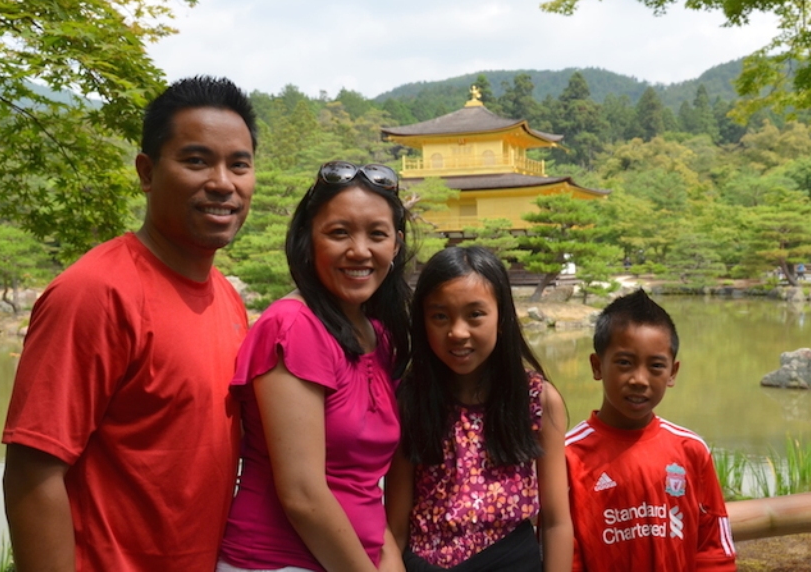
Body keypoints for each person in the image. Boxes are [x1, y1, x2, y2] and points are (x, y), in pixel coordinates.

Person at [2, 76, 258, 572]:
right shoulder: (96, 292)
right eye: (197, 160)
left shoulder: (226, 297)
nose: (223, 182)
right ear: (146, 171)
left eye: (239, 165)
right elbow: (32, 475)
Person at [217, 161, 410, 572]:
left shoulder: (379, 335)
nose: (360, 250)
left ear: (396, 244)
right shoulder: (294, 326)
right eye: (339, 233)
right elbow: (302, 494)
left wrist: (388, 558)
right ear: (308, 240)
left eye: (377, 234)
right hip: (276, 562)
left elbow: (364, 490)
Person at [386, 245, 572, 572]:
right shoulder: (411, 401)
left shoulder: (537, 401)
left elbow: (555, 520)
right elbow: (396, 526)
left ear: (502, 317)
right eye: (440, 316)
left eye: (475, 314)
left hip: (512, 561)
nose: (457, 333)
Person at [565, 289, 736, 571]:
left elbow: (713, 550)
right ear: (597, 366)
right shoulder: (569, 456)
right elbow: (563, 553)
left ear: (672, 373)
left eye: (656, 366)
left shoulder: (690, 450)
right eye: (624, 363)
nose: (639, 380)